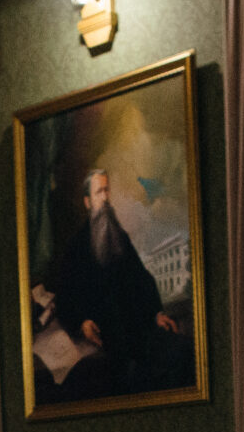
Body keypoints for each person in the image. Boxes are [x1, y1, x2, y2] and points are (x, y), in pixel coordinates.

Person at [30, 169, 192, 401]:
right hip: (109, 337)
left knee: (184, 353)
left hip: (139, 328)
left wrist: (157, 313)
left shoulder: (119, 238)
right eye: (99, 192)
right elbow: (65, 296)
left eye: (107, 191)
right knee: (132, 380)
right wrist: (81, 323)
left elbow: (141, 278)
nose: (105, 198)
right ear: (88, 202)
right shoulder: (76, 247)